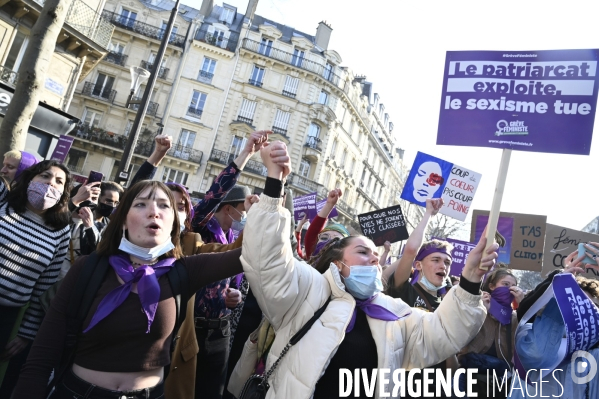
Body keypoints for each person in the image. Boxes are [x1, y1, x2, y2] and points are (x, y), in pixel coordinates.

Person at [233, 141, 497, 399]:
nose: (373, 259)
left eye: (375, 255)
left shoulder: (396, 314)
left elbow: (443, 333)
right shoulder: (307, 290)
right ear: (337, 262)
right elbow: (268, 263)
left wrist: (471, 280)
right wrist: (274, 182)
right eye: (362, 252)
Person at [12, 180, 246, 399]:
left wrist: (275, 185)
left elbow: (256, 254)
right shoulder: (88, 268)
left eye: (164, 206)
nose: (154, 211)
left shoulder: (184, 271)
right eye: (141, 204)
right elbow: (40, 359)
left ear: (175, 222)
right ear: (123, 218)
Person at [165, 182, 253, 399]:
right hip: (189, 328)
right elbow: (207, 204)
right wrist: (243, 158)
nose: (176, 212)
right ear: (227, 208)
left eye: (181, 207)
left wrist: (235, 293)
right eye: (169, 204)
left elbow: (237, 256)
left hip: (220, 329)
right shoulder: (200, 231)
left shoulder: (231, 236)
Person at [0, 160, 72, 364]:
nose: (51, 183)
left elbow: (45, 286)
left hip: (6, 317)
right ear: (30, 178)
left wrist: (26, 332)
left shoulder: (60, 231)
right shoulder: (4, 203)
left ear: (63, 192)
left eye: (59, 181)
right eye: (45, 175)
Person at [457, 267, 524, 398]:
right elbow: (463, 339)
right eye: (505, 284)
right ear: (492, 286)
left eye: (514, 286)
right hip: (468, 375)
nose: (511, 289)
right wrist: (481, 311)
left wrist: (523, 305)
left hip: (496, 381)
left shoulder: (514, 317)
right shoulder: (478, 306)